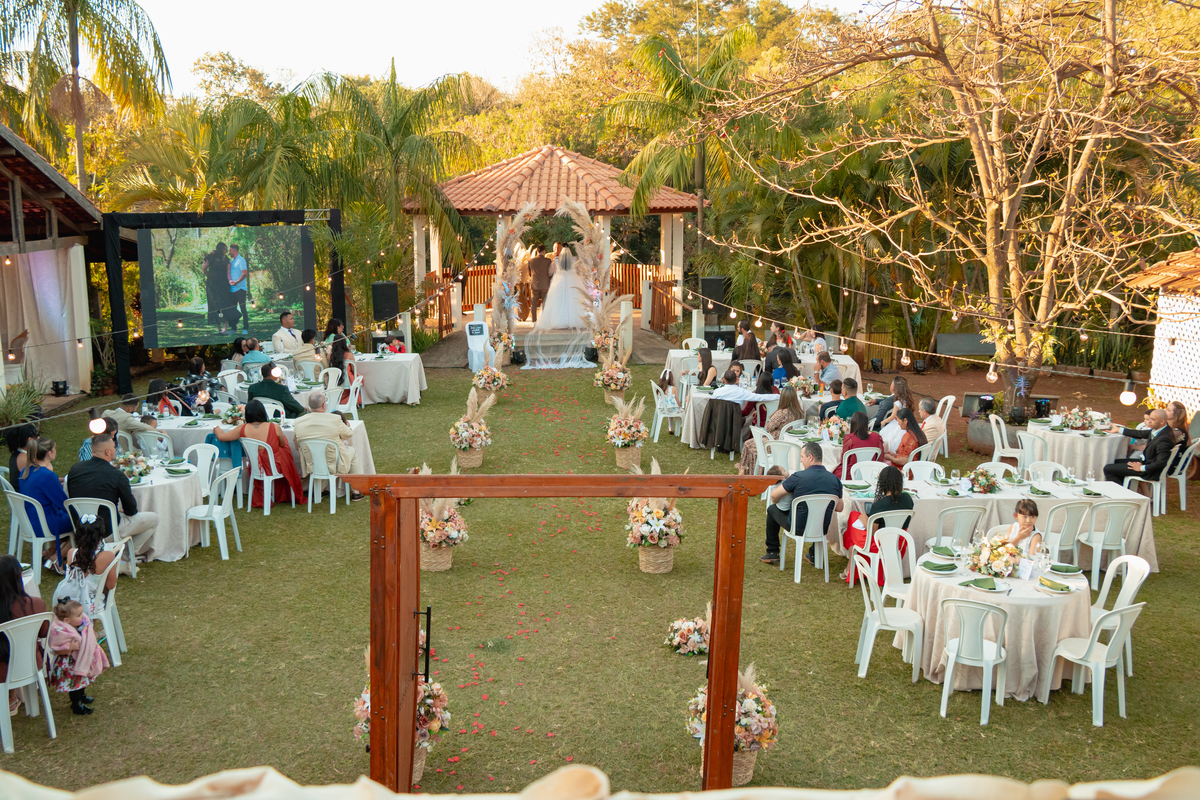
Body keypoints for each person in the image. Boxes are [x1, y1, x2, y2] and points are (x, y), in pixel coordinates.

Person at [67, 433, 160, 557]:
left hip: (81, 528)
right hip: (107, 531)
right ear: (107, 452)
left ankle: (115, 555)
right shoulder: (116, 475)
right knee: (153, 519)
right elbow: (131, 511)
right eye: (114, 448)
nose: (115, 450)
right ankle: (125, 557)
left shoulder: (74, 469)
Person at [762, 442, 843, 565]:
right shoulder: (835, 480)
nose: (801, 461)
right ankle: (814, 553)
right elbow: (840, 507)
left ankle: (773, 551)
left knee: (772, 509)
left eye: (802, 457)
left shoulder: (798, 477)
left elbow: (774, 495)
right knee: (820, 513)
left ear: (810, 457)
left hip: (798, 527)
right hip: (821, 528)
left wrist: (777, 502)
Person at [214, 400, 305, 508]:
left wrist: (216, 428)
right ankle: (288, 487)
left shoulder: (242, 428)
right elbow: (282, 443)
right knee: (284, 449)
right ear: (262, 412)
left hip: (256, 467)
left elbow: (222, 437)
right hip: (274, 467)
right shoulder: (274, 426)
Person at [0, 554, 48, 715]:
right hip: (31, 663)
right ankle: (12, 697)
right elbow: (44, 632)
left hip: (3, 669)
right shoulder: (36, 604)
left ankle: (10, 698)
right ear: (19, 577)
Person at [294, 393, 365, 501]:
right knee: (352, 451)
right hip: (335, 464)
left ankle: (321, 490)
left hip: (312, 464)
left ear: (309, 405)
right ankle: (356, 490)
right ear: (324, 406)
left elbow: (296, 445)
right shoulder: (335, 419)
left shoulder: (298, 422)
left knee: (322, 456)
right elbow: (348, 434)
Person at [16, 438, 73, 566]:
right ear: (49, 453)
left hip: (29, 522)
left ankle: (51, 551)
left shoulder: (25, 472)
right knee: (81, 521)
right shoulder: (47, 476)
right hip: (46, 524)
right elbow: (63, 504)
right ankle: (57, 558)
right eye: (54, 449)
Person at [48, 596, 109, 715]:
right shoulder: (61, 632)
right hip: (69, 664)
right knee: (74, 685)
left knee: (82, 680)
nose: (83, 617)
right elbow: (56, 649)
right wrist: (69, 648)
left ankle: (82, 695)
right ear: (66, 620)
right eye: (79, 615)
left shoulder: (80, 626)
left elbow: (88, 636)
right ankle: (76, 704)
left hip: (80, 660)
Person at [739, 386, 803, 475]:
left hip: (774, 443)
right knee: (752, 444)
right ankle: (752, 472)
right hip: (787, 443)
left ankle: (745, 473)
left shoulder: (781, 413)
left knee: (747, 444)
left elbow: (768, 427)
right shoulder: (799, 413)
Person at [1104, 408, 1177, 483]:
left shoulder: (1164, 439)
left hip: (1150, 471)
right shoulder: (1160, 430)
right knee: (1117, 462)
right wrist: (1118, 429)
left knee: (1108, 469)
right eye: (1149, 419)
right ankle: (1125, 488)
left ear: (1162, 421)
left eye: (1153, 419)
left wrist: (1141, 468)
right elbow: (1140, 434)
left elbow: (1161, 462)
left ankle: (1121, 493)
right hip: (1147, 462)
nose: (1149, 421)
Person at [533, 242, 590, 330]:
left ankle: (559, 320)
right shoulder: (574, 259)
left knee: (559, 300)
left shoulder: (556, 260)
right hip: (573, 282)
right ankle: (575, 320)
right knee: (573, 300)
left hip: (559, 282)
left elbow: (550, 272)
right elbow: (579, 272)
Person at [835, 411, 884, 478]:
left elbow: (844, 460)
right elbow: (880, 459)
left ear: (853, 424)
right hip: (871, 472)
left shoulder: (849, 438)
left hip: (852, 473)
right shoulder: (877, 437)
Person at [866, 465, 914, 530]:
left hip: (881, 538)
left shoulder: (878, 505)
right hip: (902, 537)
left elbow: (873, 533)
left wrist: (863, 520)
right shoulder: (907, 498)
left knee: (854, 515)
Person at [875, 376, 916, 448]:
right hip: (905, 423)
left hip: (896, 424)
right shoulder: (906, 400)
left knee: (889, 439)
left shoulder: (897, 403)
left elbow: (893, 416)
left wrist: (884, 421)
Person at [204, 242, 231, 334]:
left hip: (223, 285)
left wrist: (230, 282)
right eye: (224, 249)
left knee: (223, 305)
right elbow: (204, 268)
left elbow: (228, 272)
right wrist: (210, 277)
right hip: (212, 285)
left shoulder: (226, 259)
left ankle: (225, 329)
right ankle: (218, 329)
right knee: (215, 305)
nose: (225, 251)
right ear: (220, 249)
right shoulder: (211, 258)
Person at [711, 370, 780, 404]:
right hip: (735, 421)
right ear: (737, 379)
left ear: (724, 381)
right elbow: (760, 397)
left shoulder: (716, 392)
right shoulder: (741, 392)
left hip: (719, 421)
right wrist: (778, 396)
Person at [527, 245, 553, 323]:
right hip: (545, 284)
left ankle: (534, 321)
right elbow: (550, 273)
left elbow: (530, 273)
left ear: (537, 251)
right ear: (544, 251)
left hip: (534, 284)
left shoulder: (531, 261)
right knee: (545, 303)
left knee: (534, 304)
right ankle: (545, 321)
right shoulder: (548, 261)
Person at [228, 243, 249, 335]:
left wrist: (237, 281)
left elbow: (244, 273)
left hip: (240, 288)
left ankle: (245, 328)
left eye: (230, 250)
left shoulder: (241, 260)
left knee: (243, 308)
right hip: (232, 289)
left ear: (234, 250)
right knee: (232, 309)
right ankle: (233, 328)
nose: (229, 252)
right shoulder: (232, 262)